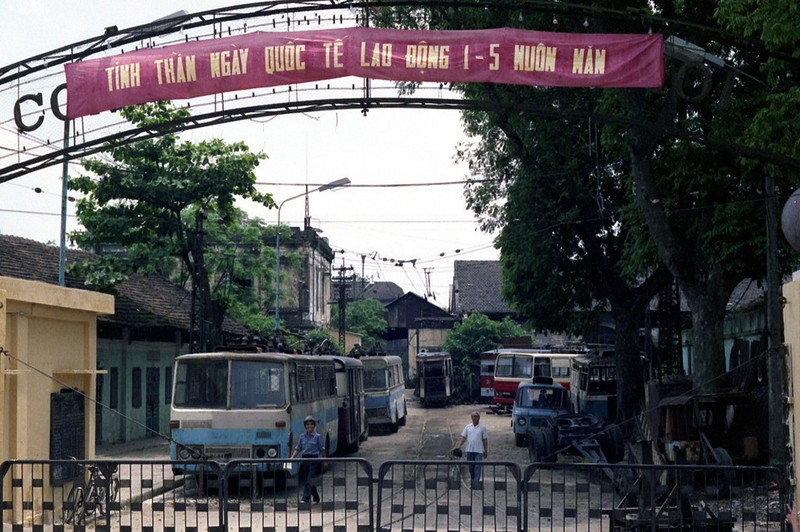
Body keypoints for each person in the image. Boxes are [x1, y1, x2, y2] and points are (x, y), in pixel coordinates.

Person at [290, 415, 326, 503]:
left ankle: (305, 498)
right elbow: (298, 448)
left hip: (314, 459)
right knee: (308, 479)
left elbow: (322, 449)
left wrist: (325, 460)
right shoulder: (302, 436)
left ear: (314, 426)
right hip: (305, 459)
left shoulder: (317, 437)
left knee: (310, 478)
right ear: (305, 426)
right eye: (307, 424)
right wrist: (292, 457)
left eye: (311, 424)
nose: (309, 426)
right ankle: (316, 497)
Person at [455, 411, 489, 489]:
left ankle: (476, 483)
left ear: (478, 418)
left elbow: (485, 440)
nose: (474, 418)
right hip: (469, 450)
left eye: (475, 416)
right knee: (471, 467)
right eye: (473, 416)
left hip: (478, 450)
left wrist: (485, 450)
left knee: (477, 466)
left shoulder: (482, 428)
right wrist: (459, 446)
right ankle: (473, 480)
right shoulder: (468, 427)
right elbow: (464, 437)